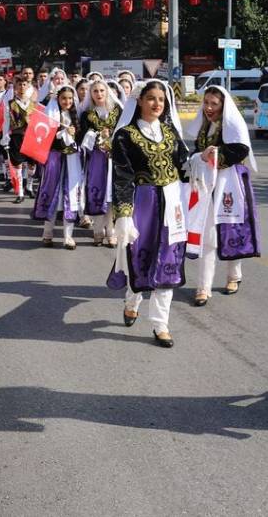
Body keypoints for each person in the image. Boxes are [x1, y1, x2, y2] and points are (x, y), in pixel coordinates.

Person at [109, 80, 188, 349]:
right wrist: (123, 214)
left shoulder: (169, 131)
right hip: (142, 202)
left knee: (168, 257)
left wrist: (205, 159)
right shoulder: (125, 136)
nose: (157, 104)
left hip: (172, 202)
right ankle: (132, 301)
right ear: (139, 100)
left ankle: (160, 324)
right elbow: (122, 176)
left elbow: (183, 165)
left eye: (162, 100)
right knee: (139, 255)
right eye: (151, 98)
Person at [185, 86, 261, 307]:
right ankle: (203, 287)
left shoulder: (232, 124)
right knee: (207, 233)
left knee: (231, 228)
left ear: (223, 105)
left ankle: (233, 276)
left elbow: (240, 150)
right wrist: (201, 155)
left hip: (230, 184)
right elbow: (195, 152)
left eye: (214, 103)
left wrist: (215, 155)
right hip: (207, 185)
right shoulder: (204, 126)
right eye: (206, 102)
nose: (208, 108)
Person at [32, 85, 84, 248]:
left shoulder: (77, 116)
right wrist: (60, 131)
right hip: (55, 158)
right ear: (58, 99)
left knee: (70, 194)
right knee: (52, 193)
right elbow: (43, 136)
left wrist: (75, 135)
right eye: (64, 98)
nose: (67, 101)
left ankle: (68, 236)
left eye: (70, 98)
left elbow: (81, 140)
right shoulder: (52, 115)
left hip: (72, 160)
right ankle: (47, 233)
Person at [79, 79, 122, 247]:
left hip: (113, 157)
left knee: (111, 193)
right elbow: (82, 136)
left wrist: (111, 134)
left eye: (102, 91)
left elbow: (124, 132)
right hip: (96, 158)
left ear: (107, 92)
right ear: (91, 94)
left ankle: (111, 231)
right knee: (97, 192)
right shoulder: (87, 114)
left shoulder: (117, 111)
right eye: (95, 91)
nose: (99, 94)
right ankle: (97, 230)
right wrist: (96, 135)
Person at [0, 77, 38, 203]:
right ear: (15, 88)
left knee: (32, 164)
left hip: (31, 137)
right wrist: (5, 135)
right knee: (18, 164)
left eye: (24, 84)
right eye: (19, 84)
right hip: (17, 136)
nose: (22, 87)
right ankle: (20, 192)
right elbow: (6, 121)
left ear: (28, 87)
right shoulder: (10, 103)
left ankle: (29, 186)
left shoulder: (34, 104)